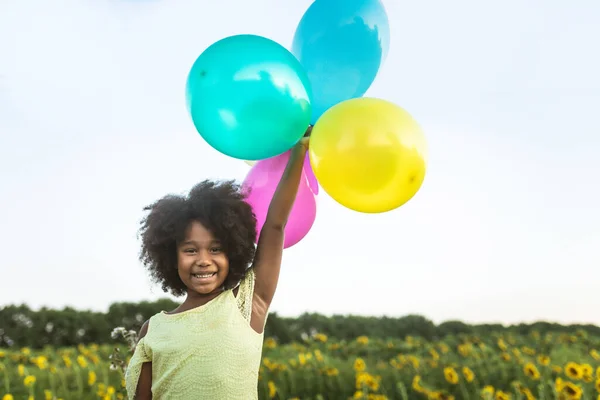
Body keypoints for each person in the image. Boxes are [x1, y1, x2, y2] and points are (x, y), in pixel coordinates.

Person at [124, 132, 311, 400]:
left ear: (233, 252)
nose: (203, 259)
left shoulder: (247, 304)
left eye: (216, 249)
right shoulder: (153, 330)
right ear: (170, 256)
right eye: (190, 250)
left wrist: (299, 151)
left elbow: (275, 224)